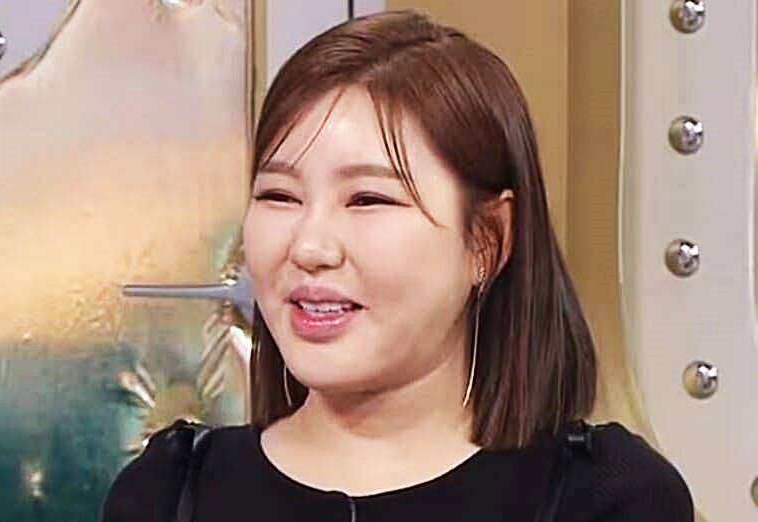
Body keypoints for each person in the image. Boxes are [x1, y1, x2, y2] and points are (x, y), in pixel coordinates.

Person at [101, 10, 694, 521]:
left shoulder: (605, 498)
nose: (309, 247)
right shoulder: (167, 495)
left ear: (486, 240)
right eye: (280, 196)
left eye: (368, 200)